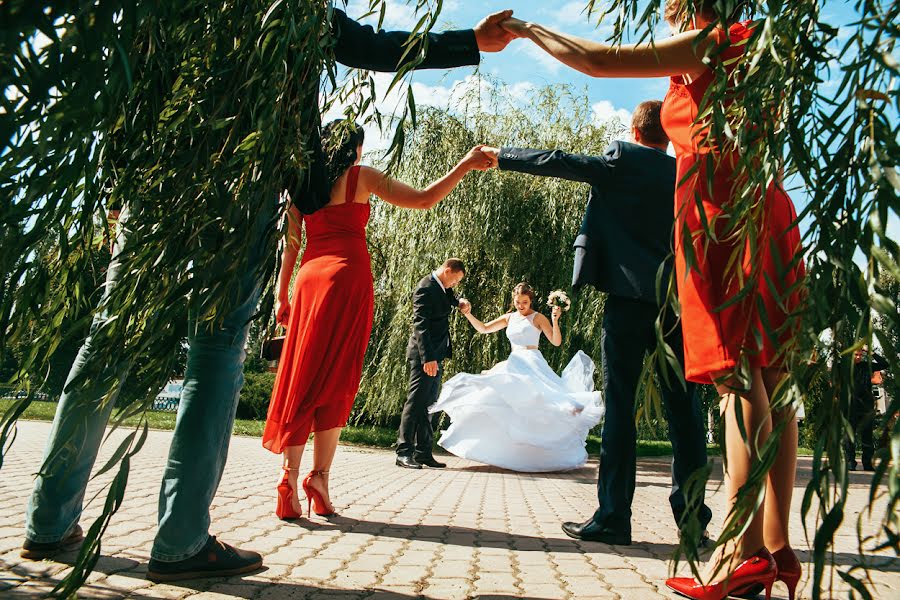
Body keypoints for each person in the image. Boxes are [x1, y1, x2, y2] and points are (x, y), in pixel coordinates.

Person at [20, 7, 515, 583]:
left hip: (154, 183)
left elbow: (130, 71)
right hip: (240, 187)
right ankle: (179, 540)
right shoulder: (294, 10)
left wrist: (118, 180)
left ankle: (49, 523)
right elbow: (377, 47)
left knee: (110, 339)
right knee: (213, 355)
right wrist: (470, 41)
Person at [499, 2, 806, 599]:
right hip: (767, 205)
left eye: (672, 10)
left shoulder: (710, 42)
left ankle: (740, 552)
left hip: (721, 217)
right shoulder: (760, 48)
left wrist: (525, 28)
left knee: (736, 379)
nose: (669, 21)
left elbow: (596, 59)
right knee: (771, 370)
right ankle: (775, 545)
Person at [479, 100, 712, 549]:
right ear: (666, 134)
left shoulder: (622, 160)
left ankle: (613, 519)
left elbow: (560, 162)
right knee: (685, 410)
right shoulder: (684, 172)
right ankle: (693, 521)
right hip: (675, 304)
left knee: (620, 408)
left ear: (634, 128)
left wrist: (502, 155)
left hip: (627, 299)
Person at [264, 124, 490, 518]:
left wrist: (281, 294)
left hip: (309, 282)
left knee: (302, 376)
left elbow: (292, 245)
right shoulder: (360, 177)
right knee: (337, 380)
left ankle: (289, 478)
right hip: (348, 281)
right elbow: (422, 200)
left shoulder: (300, 183)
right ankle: (319, 478)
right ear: (355, 149)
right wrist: (464, 166)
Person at [428, 283, 603, 472]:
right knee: (503, 399)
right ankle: (511, 453)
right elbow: (484, 328)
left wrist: (555, 320)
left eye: (525, 302)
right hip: (514, 361)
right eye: (518, 302)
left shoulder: (538, 317)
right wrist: (468, 314)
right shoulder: (509, 318)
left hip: (533, 361)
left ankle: (542, 447)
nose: (521, 305)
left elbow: (556, 341)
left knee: (541, 401)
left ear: (531, 300)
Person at [396, 259, 470, 470]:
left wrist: (459, 302)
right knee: (415, 401)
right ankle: (404, 452)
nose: (454, 284)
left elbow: (448, 298)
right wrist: (427, 358)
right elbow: (421, 326)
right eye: (455, 280)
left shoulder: (440, 287)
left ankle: (423, 453)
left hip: (435, 355)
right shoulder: (425, 288)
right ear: (448, 271)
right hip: (424, 357)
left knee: (429, 404)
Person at [845, 347, 887, 471]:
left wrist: (871, 352)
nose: (858, 357)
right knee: (849, 436)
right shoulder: (844, 367)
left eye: (860, 355)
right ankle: (850, 462)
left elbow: (885, 364)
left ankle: (868, 464)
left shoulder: (866, 366)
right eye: (855, 355)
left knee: (867, 437)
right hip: (850, 406)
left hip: (866, 407)